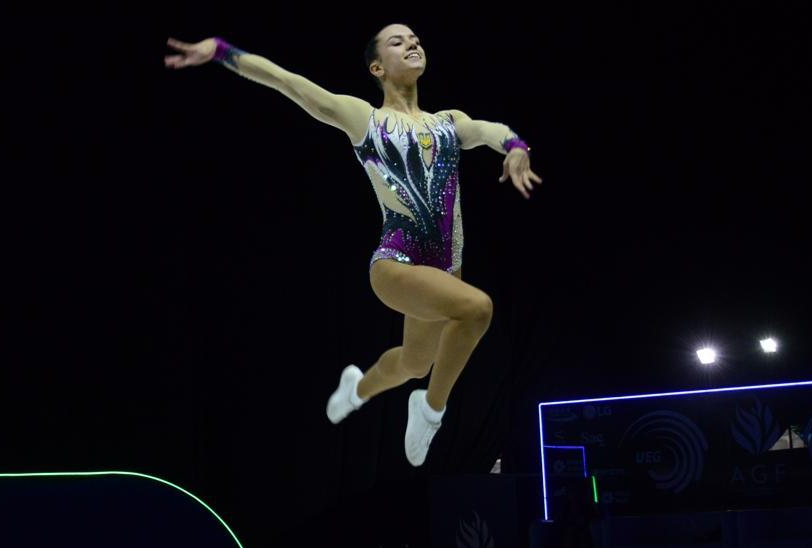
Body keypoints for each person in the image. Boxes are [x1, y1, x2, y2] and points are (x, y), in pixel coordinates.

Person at [165, 25, 541, 466]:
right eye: (398, 42)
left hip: (441, 272)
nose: (413, 43)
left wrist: (515, 146)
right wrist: (222, 52)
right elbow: (291, 83)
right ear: (377, 67)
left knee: (415, 363)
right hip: (395, 264)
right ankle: (430, 409)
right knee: (477, 309)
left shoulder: (448, 123)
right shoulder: (366, 119)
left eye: (416, 38)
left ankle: (356, 390)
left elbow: (488, 129)